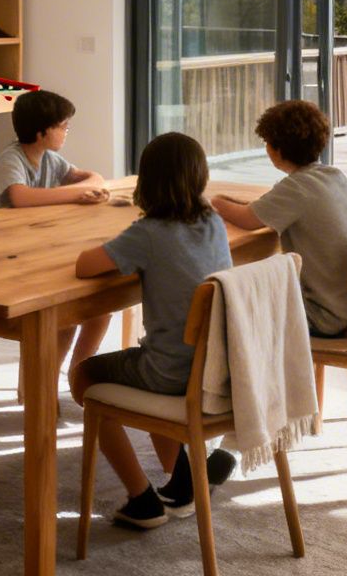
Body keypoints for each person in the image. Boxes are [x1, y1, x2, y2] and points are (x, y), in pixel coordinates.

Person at [69, 133, 238, 529]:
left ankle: (142, 499)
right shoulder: (212, 220)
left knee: (84, 378)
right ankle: (183, 481)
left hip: (169, 371)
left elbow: (84, 266)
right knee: (145, 368)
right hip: (213, 365)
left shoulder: (148, 233)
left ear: (148, 181)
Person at [0, 89, 116, 378]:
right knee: (66, 314)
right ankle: (41, 383)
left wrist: (83, 189)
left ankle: (77, 374)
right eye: (62, 126)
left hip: (36, 250)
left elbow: (93, 178)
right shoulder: (11, 159)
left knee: (101, 310)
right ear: (42, 132)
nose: (67, 131)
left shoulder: (49, 159)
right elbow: (20, 197)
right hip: (1, 259)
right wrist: (75, 195)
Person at [211, 99, 347, 338]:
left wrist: (215, 200)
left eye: (267, 142)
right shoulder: (332, 175)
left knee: (231, 301)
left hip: (322, 315)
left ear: (278, 149)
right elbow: (263, 208)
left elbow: (248, 219)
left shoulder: (297, 187)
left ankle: (247, 372)